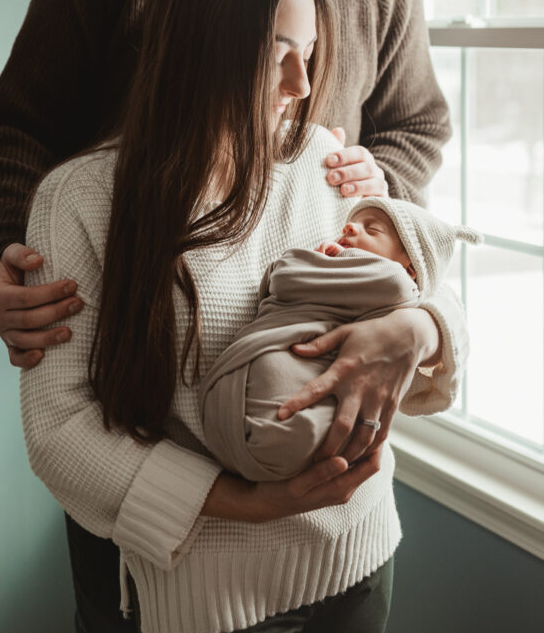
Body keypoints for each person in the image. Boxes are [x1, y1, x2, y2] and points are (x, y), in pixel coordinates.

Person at [0, 0, 452, 633]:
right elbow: (19, 126)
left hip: (308, 419)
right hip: (144, 399)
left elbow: (417, 128)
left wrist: (359, 189)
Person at [20, 0, 467, 633]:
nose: (299, 88)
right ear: (195, 52)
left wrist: (419, 327)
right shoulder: (79, 201)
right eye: (276, 55)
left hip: (358, 552)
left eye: (310, 55)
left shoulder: (326, 164)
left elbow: (427, 287)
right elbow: (60, 431)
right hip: (201, 596)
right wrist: (246, 501)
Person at [200, 199, 479, 481]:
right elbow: (279, 287)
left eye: (371, 229)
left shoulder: (395, 285)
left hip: (290, 416)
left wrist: (317, 263)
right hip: (230, 415)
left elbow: (284, 274)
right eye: (354, 223)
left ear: (409, 268)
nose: (348, 227)